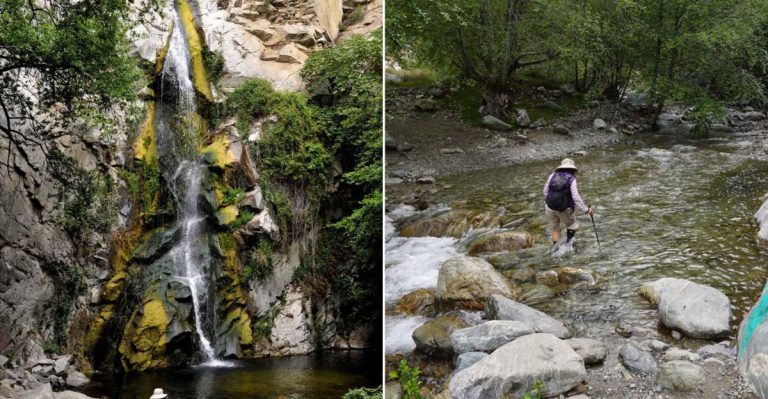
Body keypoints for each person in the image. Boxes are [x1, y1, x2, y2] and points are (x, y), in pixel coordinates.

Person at [543, 158, 594, 246]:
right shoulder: (571, 179)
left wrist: (552, 202)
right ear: (572, 169)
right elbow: (576, 197)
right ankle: (568, 246)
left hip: (549, 207)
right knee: (572, 224)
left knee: (555, 229)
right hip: (563, 209)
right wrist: (586, 210)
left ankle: (555, 249)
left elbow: (545, 192)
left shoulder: (552, 175)